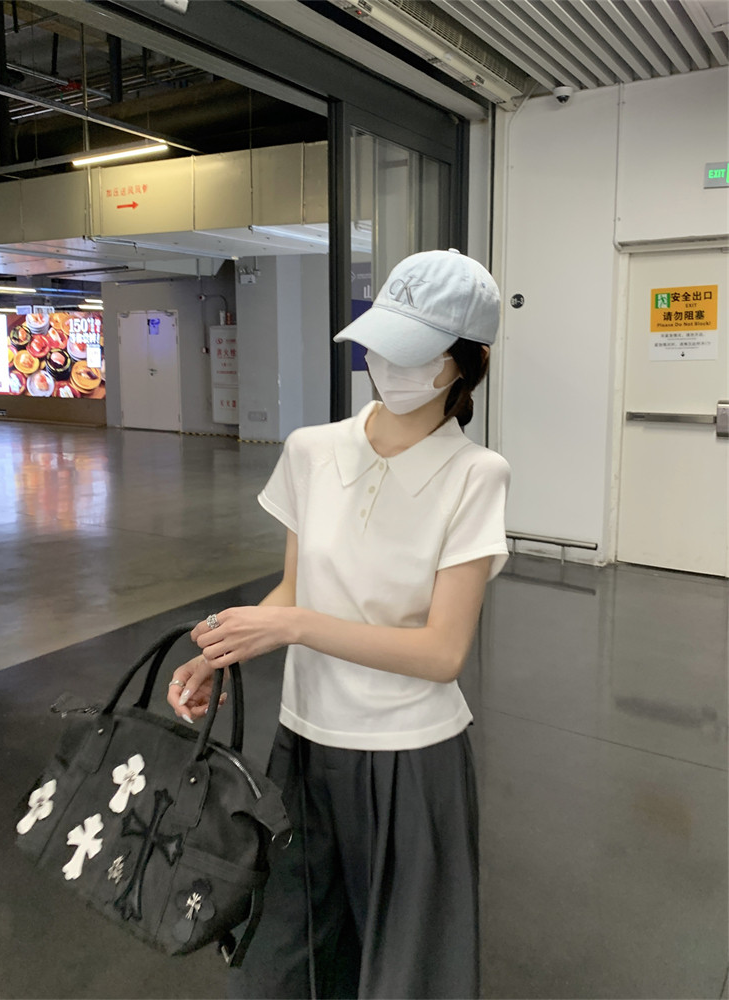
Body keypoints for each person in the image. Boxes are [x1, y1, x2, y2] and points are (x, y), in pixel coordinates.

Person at [167, 248, 511, 999]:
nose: (388, 365)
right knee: (289, 958)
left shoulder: (476, 476)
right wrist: (218, 653)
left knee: (410, 970)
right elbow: (296, 589)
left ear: (470, 363)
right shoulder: (311, 451)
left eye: (416, 351)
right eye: (382, 343)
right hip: (304, 742)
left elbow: (442, 652)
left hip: (410, 758)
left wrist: (294, 627)